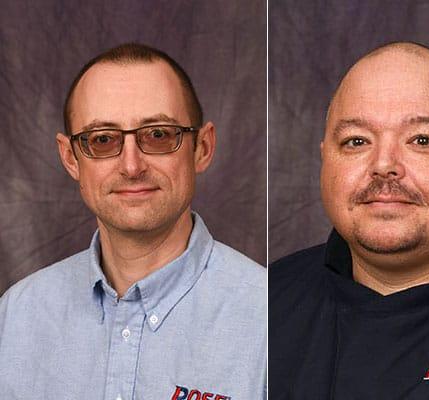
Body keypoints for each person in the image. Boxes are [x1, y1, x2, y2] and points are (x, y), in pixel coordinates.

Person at [269, 41, 429, 399]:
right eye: (356, 141)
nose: (384, 164)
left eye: (422, 140)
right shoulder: (263, 300)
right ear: (325, 160)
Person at [0, 43, 266, 400]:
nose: (131, 165)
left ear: (202, 148)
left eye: (158, 135)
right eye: (103, 139)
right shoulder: (16, 316)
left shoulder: (269, 318)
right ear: (71, 158)